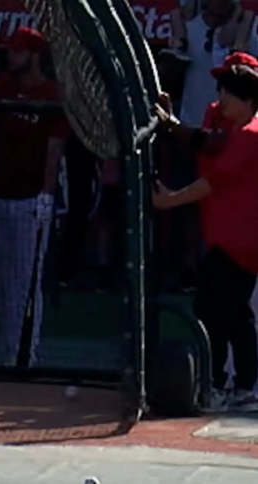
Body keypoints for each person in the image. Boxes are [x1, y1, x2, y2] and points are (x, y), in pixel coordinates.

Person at [152, 62, 258, 411]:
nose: (221, 99)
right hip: (233, 240)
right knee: (234, 313)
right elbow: (208, 147)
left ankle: (219, 384)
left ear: (248, 100)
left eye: (229, 93)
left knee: (214, 311)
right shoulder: (241, 131)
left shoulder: (249, 135)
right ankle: (242, 385)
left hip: (238, 242)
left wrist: (170, 200)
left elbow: (214, 182)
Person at [0, 28, 68, 366]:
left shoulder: (51, 93)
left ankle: (27, 352)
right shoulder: (2, 85)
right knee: (2, 278)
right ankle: (10, 348)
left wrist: (46, 196)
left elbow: (54, 149)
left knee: (27, 279)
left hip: (30, 199)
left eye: (17, 52)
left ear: (34, 56)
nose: (11, 57)